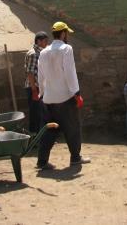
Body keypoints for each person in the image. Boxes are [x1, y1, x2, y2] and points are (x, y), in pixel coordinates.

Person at [36, 21, 90, 170]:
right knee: (72, 128)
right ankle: (75, 157)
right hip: (65, 97)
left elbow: (40, 76)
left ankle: (42, 161)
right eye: (67, 33)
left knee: (48, 130)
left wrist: (41, 93)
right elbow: (70, 72)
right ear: (64, 33)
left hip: (48, 98)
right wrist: (77, 93)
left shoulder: (43, 52)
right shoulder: (66, 49)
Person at [24, 31, 49, 134]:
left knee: (42, 113)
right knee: (35, 115)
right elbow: (30, 72)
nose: (46, 43)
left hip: (40, 88)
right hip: (34, 88)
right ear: (38, 41)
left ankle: (41, 137)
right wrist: (34, 90)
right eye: (45, 41)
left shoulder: (41, 52)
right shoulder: (33, 54)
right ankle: (34, 139)